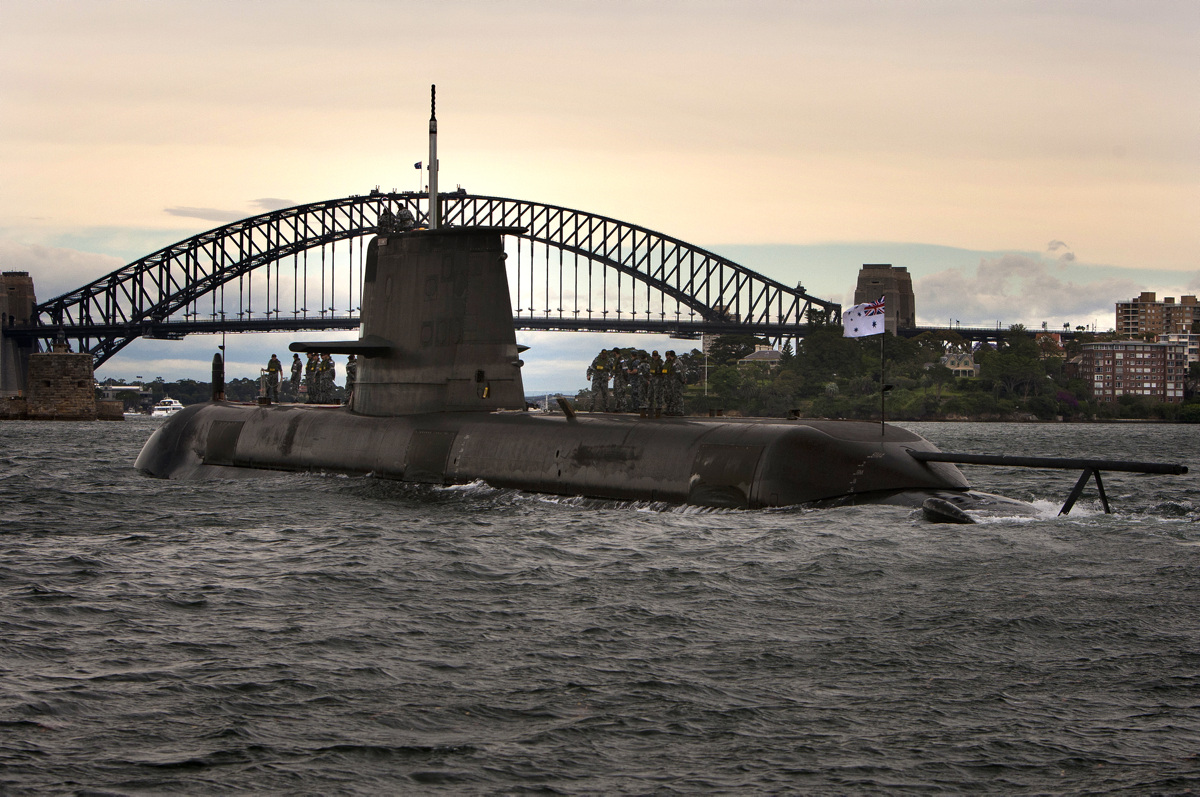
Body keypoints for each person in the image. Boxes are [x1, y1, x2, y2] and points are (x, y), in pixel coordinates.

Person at [663, 350, 684, 416]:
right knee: (671, 396)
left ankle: (679, 411)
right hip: (670, 382)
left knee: (677, 396)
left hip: (676, 382)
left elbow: (679, 373)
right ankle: (671, 410)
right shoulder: (670, 362)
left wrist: (682, 380)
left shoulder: (676, 362)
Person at [648, 350, 664, 415]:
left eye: (656, 355)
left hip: (658, 379)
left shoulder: (660, 362)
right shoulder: (651, 362)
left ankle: (658, 409)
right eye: (654, 356)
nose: (655, 357)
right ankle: (650, 408)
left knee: (658, 395)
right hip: (652, 379)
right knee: (650, 394)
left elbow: (663, 372)